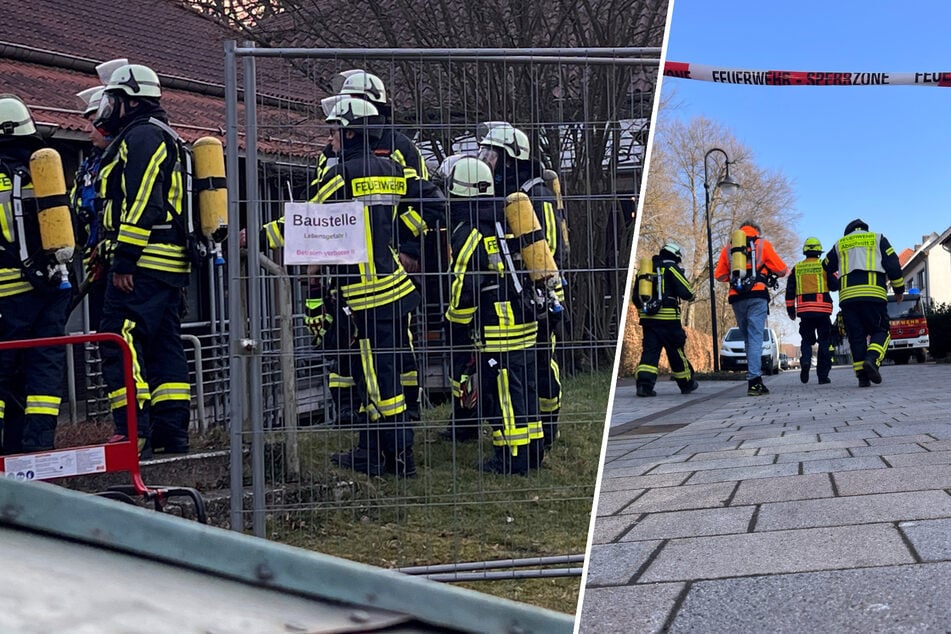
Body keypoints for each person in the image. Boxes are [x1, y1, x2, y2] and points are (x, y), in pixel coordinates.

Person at [308, 96, 419, 477]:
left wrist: (254, 235)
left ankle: (398, 461)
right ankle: (372, 453)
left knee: (378, 384)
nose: (331, 137)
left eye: (335, 129)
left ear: (350, 131)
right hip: (392, 288)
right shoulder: (391, 169)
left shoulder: (341, 175)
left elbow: (309, 221)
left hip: (365, 295)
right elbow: (414, 210)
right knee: (379, 376)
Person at [92, 63, 192, 457]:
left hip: (146, 261)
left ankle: (133, 428)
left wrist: (125, 262)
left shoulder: (145, 136)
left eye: (112, 100)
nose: (107, 109)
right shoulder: (152, 134)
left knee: (118, 336)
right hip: (164, 263)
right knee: (163, 344)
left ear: (130, 102)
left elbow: (143, 201)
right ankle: (171, 432)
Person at [442, 156, 545, 474]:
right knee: (525, 390)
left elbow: (463, 283)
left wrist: (455, 322)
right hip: (525, 319)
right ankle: (532, 452)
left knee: (502, 393)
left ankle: (510, 459)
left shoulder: (469, 231)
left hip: (498, 327)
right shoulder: (505, 221)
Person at [477, 122, 566, 450]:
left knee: (543, 364)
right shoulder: (505, 196)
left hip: (544, 296)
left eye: (492, 155)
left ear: (511, 159)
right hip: (520, 295)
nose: (485, 161)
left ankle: (549, 428)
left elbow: (551, 249)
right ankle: (534, 432)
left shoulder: (535, 193)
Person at [0, 94, 74, 454]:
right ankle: (39, 447)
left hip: (8, 292)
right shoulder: (42, 170)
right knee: (44, 366)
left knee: (5, 370)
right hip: (52, 284)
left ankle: (7, 449)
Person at [822, 218, 904, 387]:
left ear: (848, 232)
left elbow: (826, 266)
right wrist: (899, 290)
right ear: (865, 229)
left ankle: (862, 377)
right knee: (881, 331)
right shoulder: (878, 238)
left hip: (848, 298)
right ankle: (872, 360)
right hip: (873, 294)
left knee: (856, 336)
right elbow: (893, 265)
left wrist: (834, 284)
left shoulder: (841, 244)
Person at [714, 220, 788, 396]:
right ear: (757, 230)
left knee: (748, 338)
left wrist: (736, 277)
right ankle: (754, 381)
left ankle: (754, 378)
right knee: (755, 338)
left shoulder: (729, 248)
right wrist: (764, 272)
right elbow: (782, 270)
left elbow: (719, 275)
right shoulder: (762, 244)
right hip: (757, 295)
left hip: (736, 297)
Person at [631, 242, 698, 397]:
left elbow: (636, 297)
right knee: (676, 352)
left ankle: (644, 386)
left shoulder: (645, 269)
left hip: (649, 321)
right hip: (669, 321)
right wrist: (692, 295)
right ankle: (687, 383)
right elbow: (687, 292)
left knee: (649, 353)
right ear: (675, 256)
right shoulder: (671, 267)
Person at [784, 237, 837, 385]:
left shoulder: (797, 268)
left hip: (805, 311)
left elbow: (789, 291)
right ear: (819, 252)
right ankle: (822, 376)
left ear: (805, 252)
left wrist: (790, 310)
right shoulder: (825, 266)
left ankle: (806, 361)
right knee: (824, 342)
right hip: (823, 311)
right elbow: (834, 286)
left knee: (806, 340)